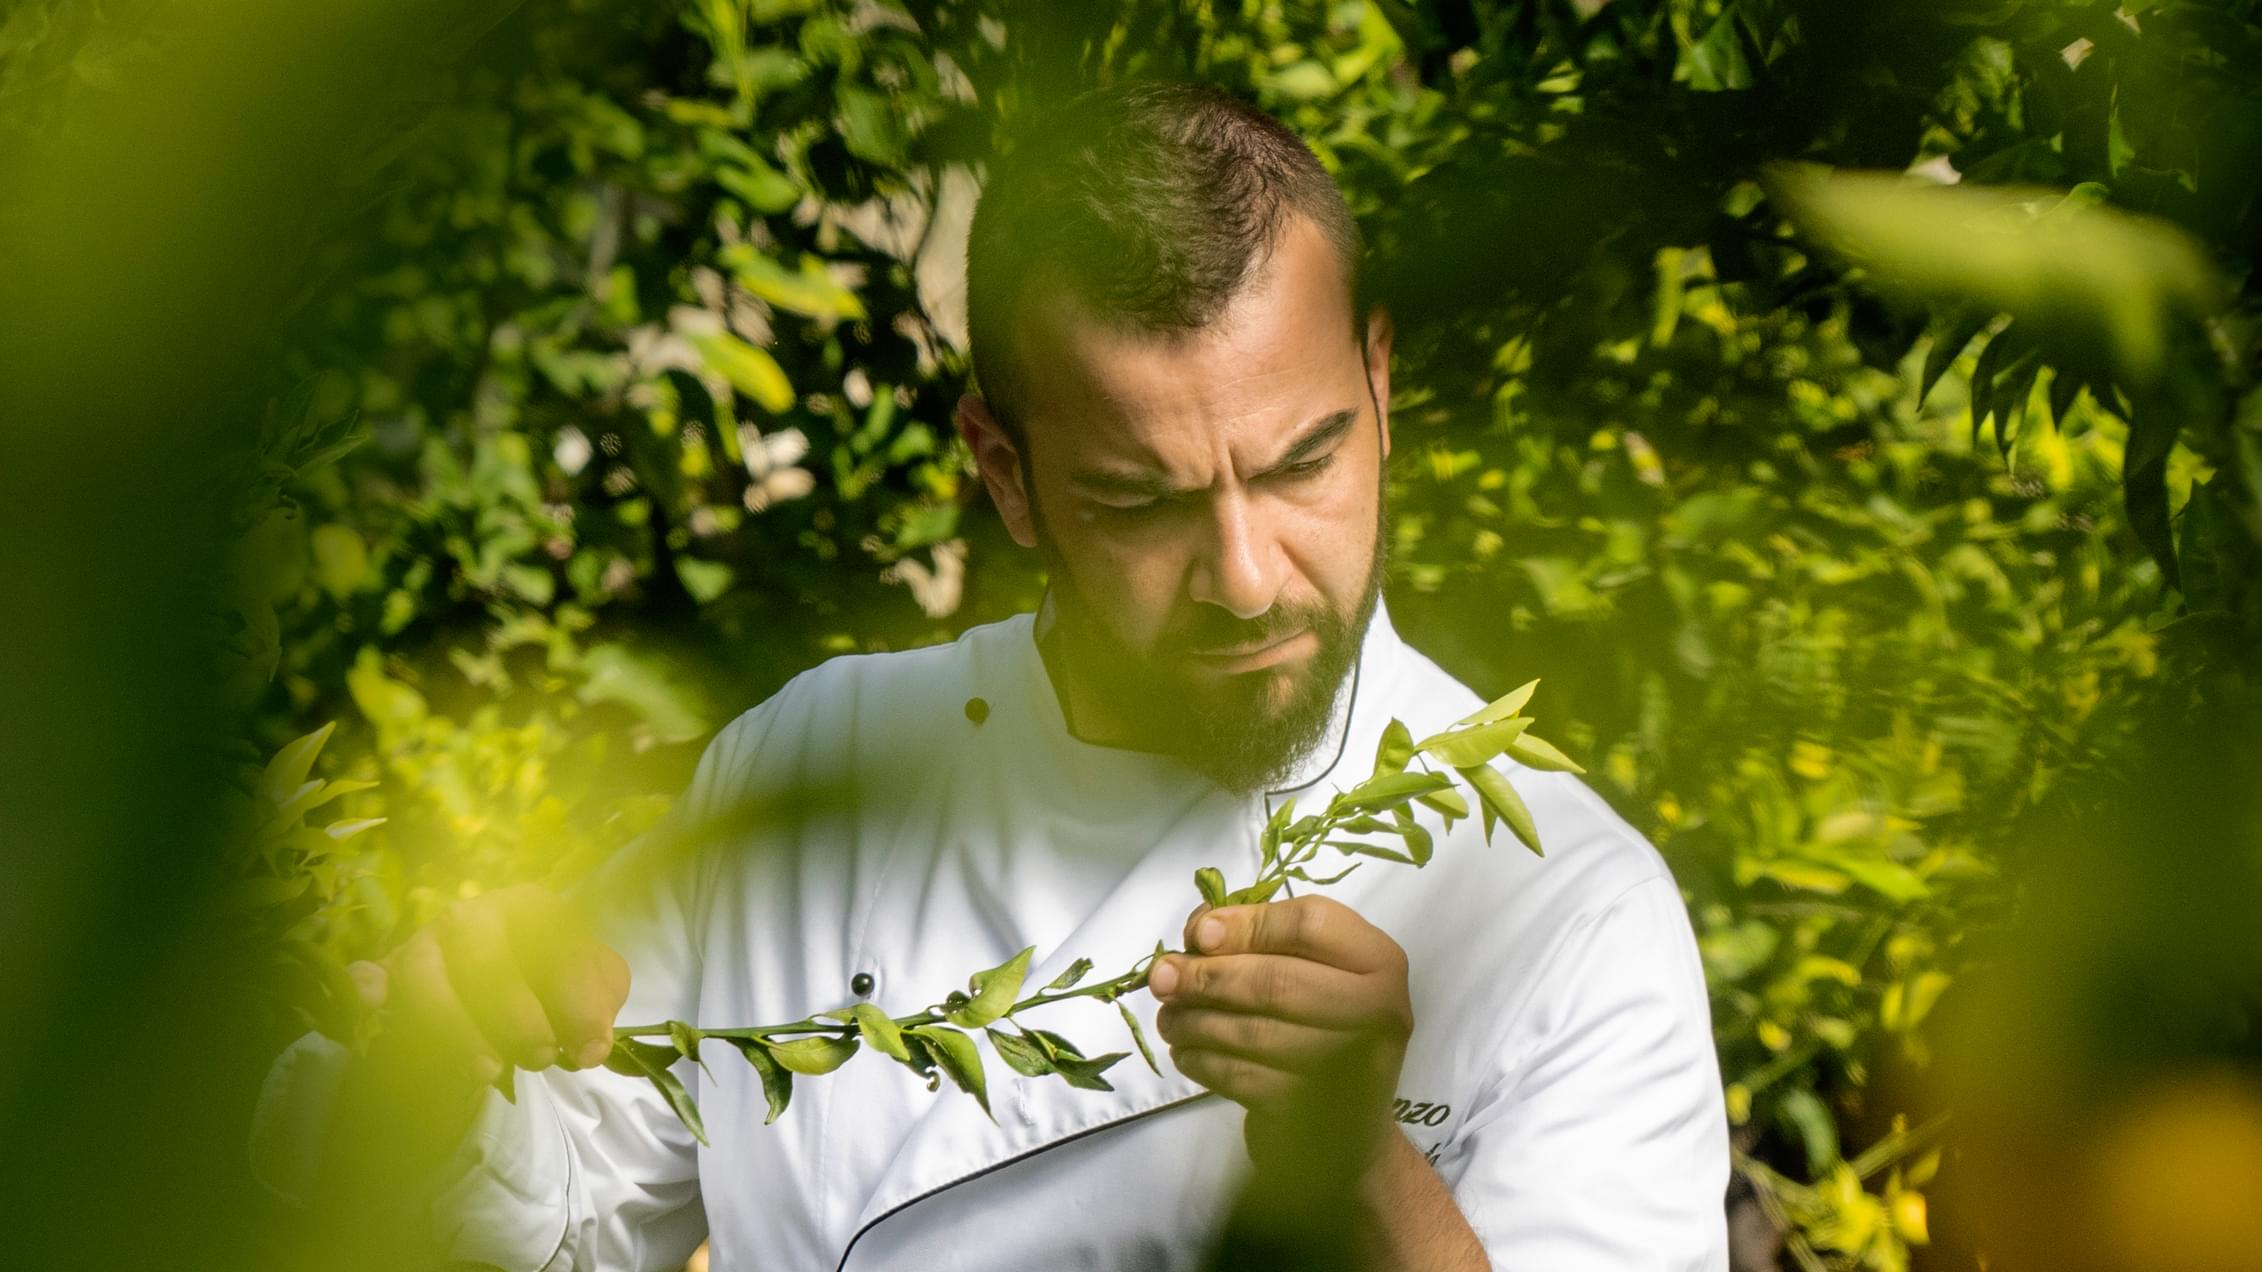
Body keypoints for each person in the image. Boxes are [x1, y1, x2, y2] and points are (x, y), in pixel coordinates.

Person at [253, 80, 1729, 1270]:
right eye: (1142, 503)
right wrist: (438, 1082)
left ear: (1380, 387)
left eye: (1301, 464)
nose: (1247, 575)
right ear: (1005, 476)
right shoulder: (818, 764)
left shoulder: (1565, 910)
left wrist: (1357, 1173)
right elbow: (563, 1230)